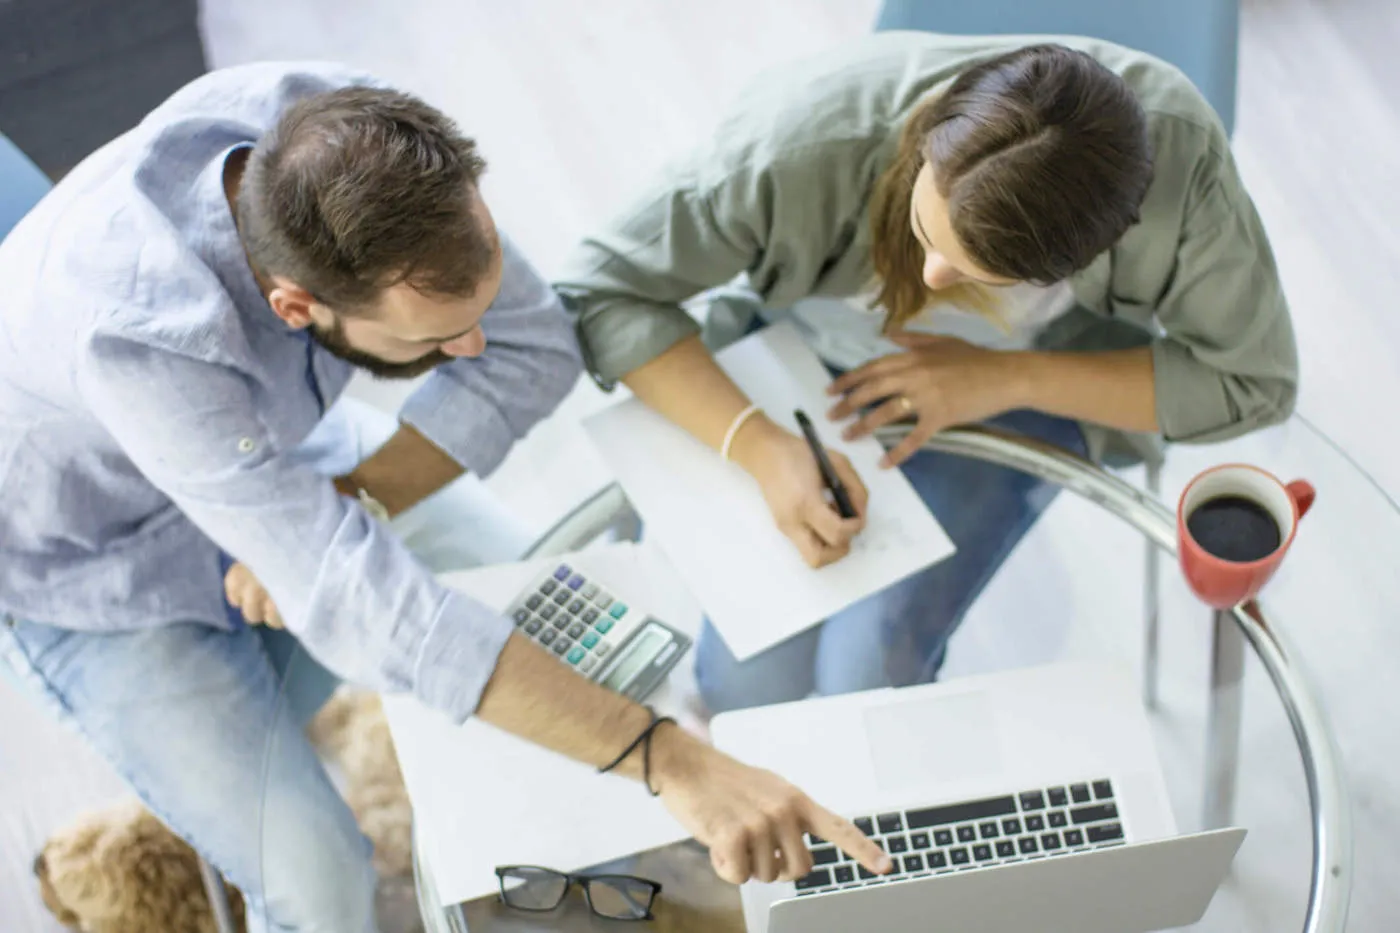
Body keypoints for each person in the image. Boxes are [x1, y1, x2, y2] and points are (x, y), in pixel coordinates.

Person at [0, 64, 888, 933]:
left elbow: (536, 343)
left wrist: (345, 502)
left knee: (564, 625)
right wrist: (670, 758)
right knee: (322, 882)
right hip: (94, 582)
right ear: (295, 303)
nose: (473, 349)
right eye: (434, 339)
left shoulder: (348, 137)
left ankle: (611, 862)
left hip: (280, 457)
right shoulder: (143, 336)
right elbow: (372, 606)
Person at [556, 33, 1298, 714]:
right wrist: (759, 446)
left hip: (1024, 384)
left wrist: (1010, 377)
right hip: (799, 357)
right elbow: (598, 287)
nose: (935, 277)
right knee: (747, 685)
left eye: (986, 274)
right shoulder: (791, 147)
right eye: (923, 231)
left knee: (868, 676)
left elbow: (1254, 382)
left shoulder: (1183, 174)